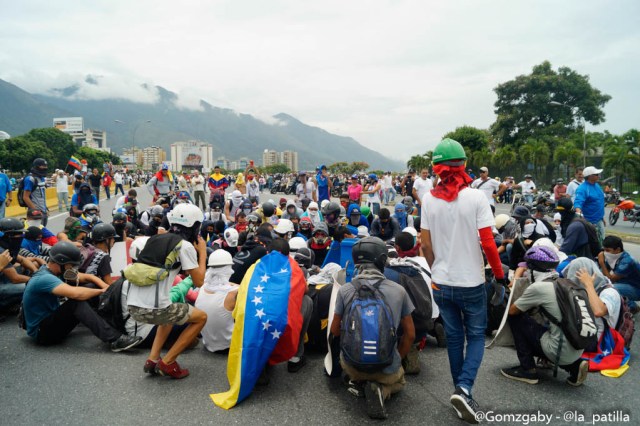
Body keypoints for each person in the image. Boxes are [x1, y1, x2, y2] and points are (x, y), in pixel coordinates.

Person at [420, 138, 507, 423]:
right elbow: (489, 244)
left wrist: (438, 270)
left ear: (437, 168)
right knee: (477, 336)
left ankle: (461, 391)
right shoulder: (476, 198)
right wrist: (499, 276)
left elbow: (426, 245)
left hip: (441, 283)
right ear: (465, 165)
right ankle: (465, 388)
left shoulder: (428, 200)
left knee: (455, 338)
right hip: (471, 283)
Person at [330, 237, 415, 419]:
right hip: (387, 367)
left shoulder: (345, 290)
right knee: (400, 382)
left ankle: (357, 380)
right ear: (382, 259)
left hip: (352, 364)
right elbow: (410, 334)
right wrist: (397, 357)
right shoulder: (398, 290)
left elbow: (335, 331)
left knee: (352, 367)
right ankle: (382, 390)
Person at [126, 203, 208, 379]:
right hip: (155, 309)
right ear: (194, 226)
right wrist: (202, 253)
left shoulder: (154, 239)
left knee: (172, 312)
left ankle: (153, 359)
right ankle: (168, 361)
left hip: (133, 307)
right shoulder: (184, 246)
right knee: (201, 318)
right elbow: (199, 281)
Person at [21, 241, 143, 351]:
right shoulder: (45, 278)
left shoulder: (54, 270)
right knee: (76, 302)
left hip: (50, 322)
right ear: (61, 262)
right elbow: (76, 294)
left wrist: (105, 287)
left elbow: (87, 277)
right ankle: (115, 339)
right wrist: (102, 292)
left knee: (90, 287)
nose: (72, 268)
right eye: (71, 265)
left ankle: (114, 325)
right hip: (42, 333)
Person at [501, 246, 589, 386]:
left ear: (533, 269)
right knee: (550, 328)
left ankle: (527, 369)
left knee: (517, 319)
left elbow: (512, 311)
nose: (526, 272)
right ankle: (575, 366)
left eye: (527, 269)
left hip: (558, 350)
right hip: (577, 347)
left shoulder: (538, 288)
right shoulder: (564, 283)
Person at [195, 250, 239, 353]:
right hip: (229, 346)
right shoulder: (234, 293)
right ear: (228, 268)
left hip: (207, 343)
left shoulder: (203, 287)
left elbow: (225, 285)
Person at [598, 235, 640, 314]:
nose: (604, 253)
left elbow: (611, 279)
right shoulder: (614, 256)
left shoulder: (627, 261)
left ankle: (631, 306)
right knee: (603, 283)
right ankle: (631, 304)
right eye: (604, 250)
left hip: (637, 288)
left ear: (617, 250)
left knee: (610, 288)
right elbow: (603, 274)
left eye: (607, 250)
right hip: (626, 283)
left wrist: (602, 263)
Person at [573, 166, 606, 244]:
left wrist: (602, 217)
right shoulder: (582, 188)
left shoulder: (597, 185)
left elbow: (598, 202)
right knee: (594, 243)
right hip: (589, 222)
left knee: (602, 242)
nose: (598, 176)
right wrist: (579, 214)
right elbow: (578, 203)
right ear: (590, 176)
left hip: (599, 219)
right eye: (596, 174)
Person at [22, 158, 50, 226]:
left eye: (46, 166)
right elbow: (25, 197)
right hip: (35, 213)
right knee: (36, 233)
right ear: (37, 166)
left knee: (42, 233)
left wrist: (45, 209)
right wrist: (35, 211)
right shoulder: (30, 179)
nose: (45, 167)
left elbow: (42, 196)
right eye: (43, 166)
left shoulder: (42, 178)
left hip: (43, 211)